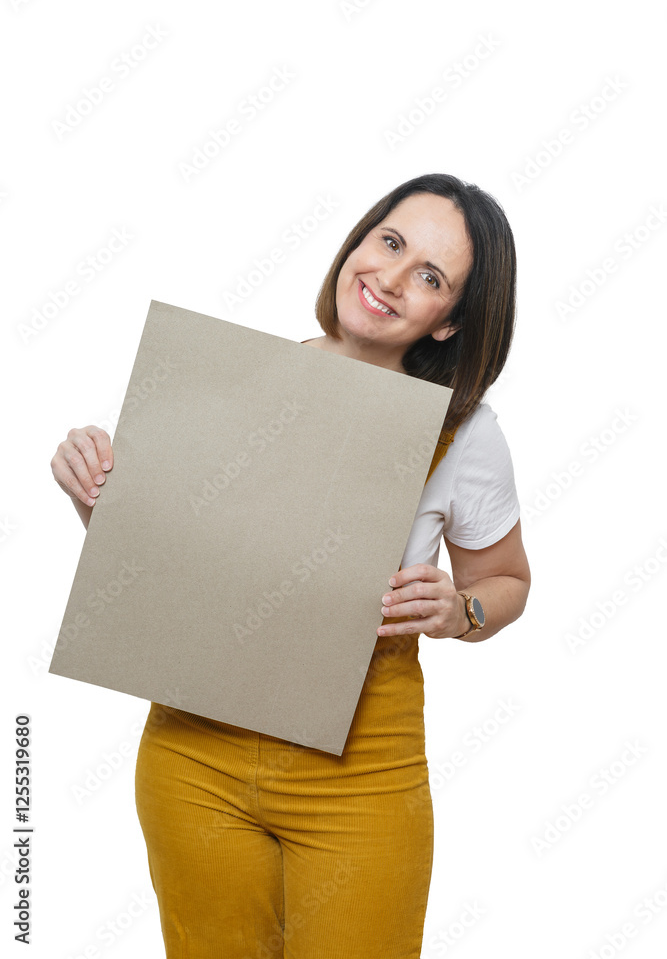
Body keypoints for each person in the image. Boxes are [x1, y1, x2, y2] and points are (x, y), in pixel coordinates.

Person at [50, 172, 531, 958]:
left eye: (430, 277)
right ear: (358, 239)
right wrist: (95, 492)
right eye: (389, 242)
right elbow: (169, 561)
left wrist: (461, 611)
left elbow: (506, 580)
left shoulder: (464, 433)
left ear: (450, 322)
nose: (390, 278)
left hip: (360, 768)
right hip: (192, 750)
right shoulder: (232, 382)